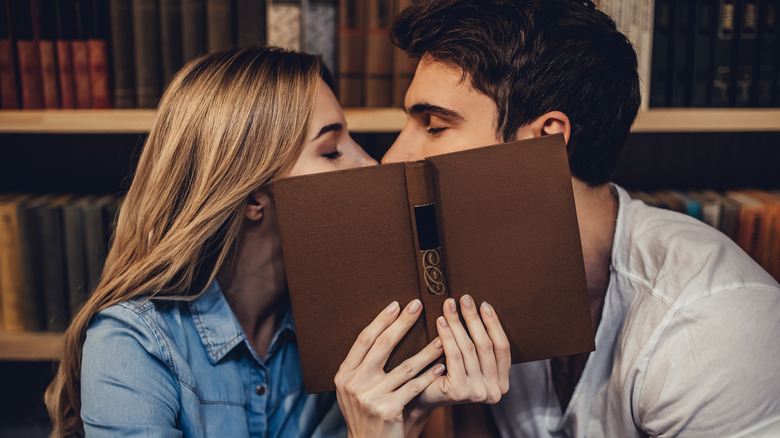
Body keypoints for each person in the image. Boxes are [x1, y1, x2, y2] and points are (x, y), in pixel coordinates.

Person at [377, 0, 780, 436]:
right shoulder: (474, 278)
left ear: (546, 140)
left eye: (434, 125)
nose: (391, 158)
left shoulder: (714, 321)